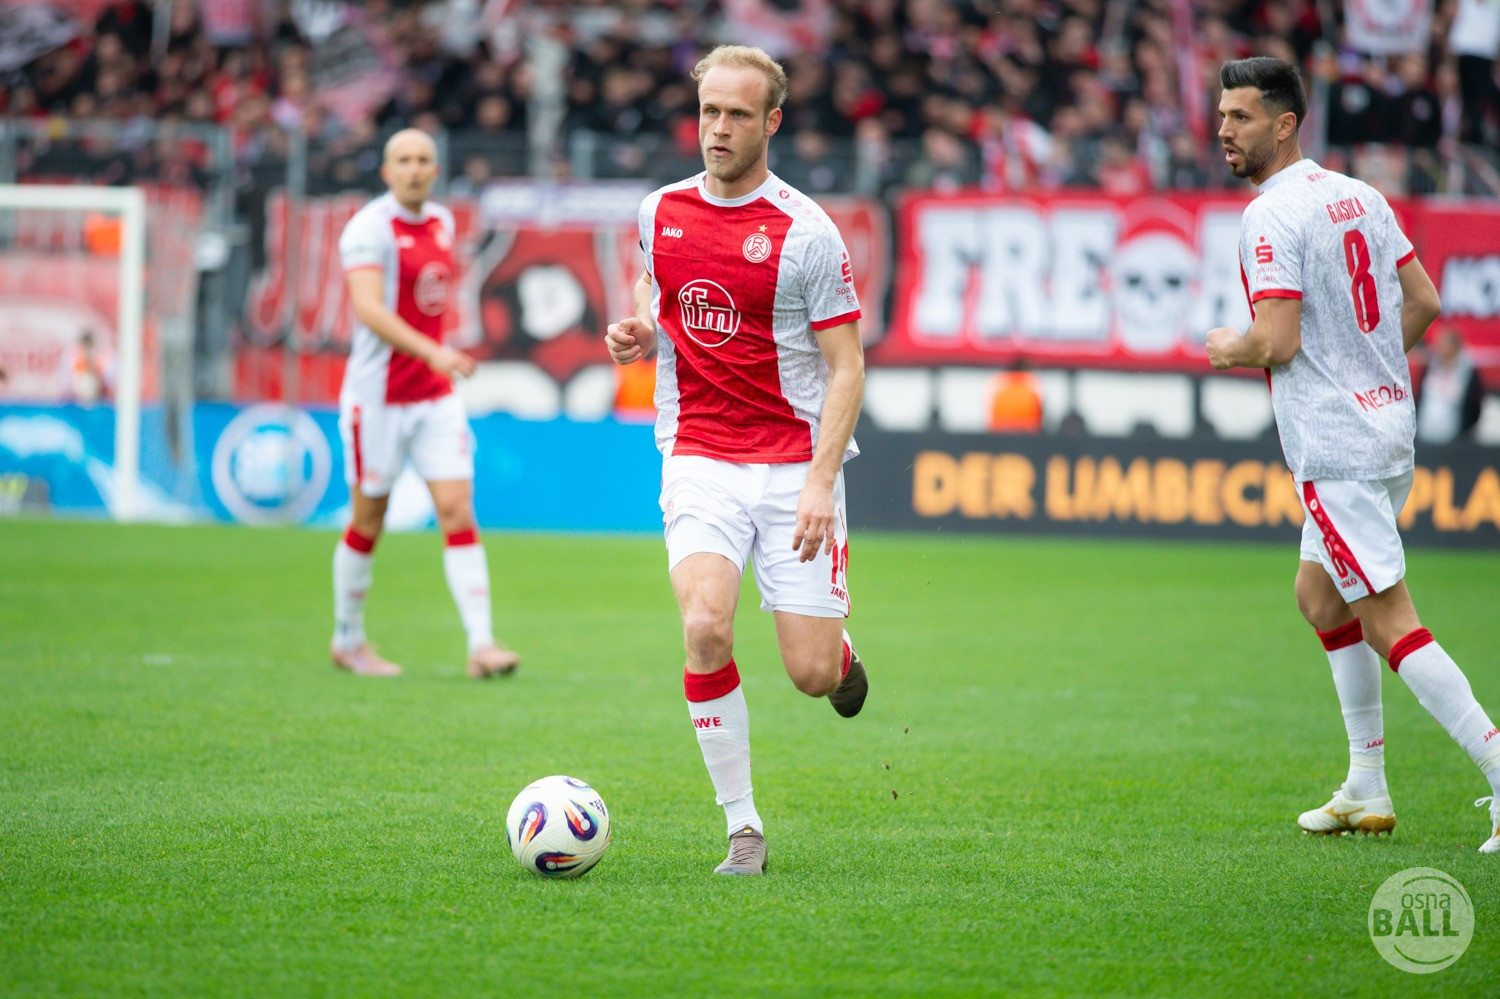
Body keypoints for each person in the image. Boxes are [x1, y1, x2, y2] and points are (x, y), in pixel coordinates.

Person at [1205, 57, 1500, 853]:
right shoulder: (1359, 194)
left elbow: (1276, 340)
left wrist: (1230, 348)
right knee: (1321, 598)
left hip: (1336, 447)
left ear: (1285, 124)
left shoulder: (1269, 215)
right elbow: (1425, 301)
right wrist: (1366, 368)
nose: (1224, 129)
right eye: (1222, 114)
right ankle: (1366, 783)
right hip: (1387, 428)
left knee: (1391, 620)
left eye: (1241, 116)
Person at [604, 45, 868, 876]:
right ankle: (742, 825)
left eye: (738, 115)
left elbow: (848, 366)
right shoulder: (659, 211)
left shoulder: (807, 232)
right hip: (700, 453)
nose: (718, 128)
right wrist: (641, 330)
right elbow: (656, 294)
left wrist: (820, 481)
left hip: (794, 465)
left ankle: (843, 658)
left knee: (810, 673)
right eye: (709, 111)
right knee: (704, 626)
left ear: (771, 122)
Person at [330, 128, 519, 680]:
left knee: (457, 510)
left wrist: (436, 359)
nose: (413, 169)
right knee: (369, 517)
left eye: (422, 160)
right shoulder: (368, 229)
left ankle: (481, 644)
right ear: (386, 171)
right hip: (378, 398)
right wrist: (434, 352)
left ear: (436, 171)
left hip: (434, 396)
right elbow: (368, 308)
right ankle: (348, 638)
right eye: (403, 160)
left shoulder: (441, 221)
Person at [1416, 327, 1485, 444]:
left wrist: (1464, 432)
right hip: (1424, 435)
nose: (1439, 348)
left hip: (1455, 440)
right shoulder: (1429, 368)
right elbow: (1419, 396)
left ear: (1455, 346)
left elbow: (1474, 404)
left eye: (1443, 344)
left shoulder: (1468, 372)